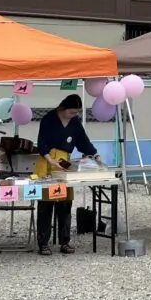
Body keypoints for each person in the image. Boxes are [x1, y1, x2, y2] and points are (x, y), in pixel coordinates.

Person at [35, 94, 101, 255]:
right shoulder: (49, 119)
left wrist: (95, 155)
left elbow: (83, 142)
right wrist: (50, 160)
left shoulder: (75, 123)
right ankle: (43, 242)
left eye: (75, 113)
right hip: (47, 161)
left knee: (65, 202)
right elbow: (41, 142)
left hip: (65, 162)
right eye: (71, 112)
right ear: (63, 108)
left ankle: (65, 241)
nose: (73, 115)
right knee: (46, 204)